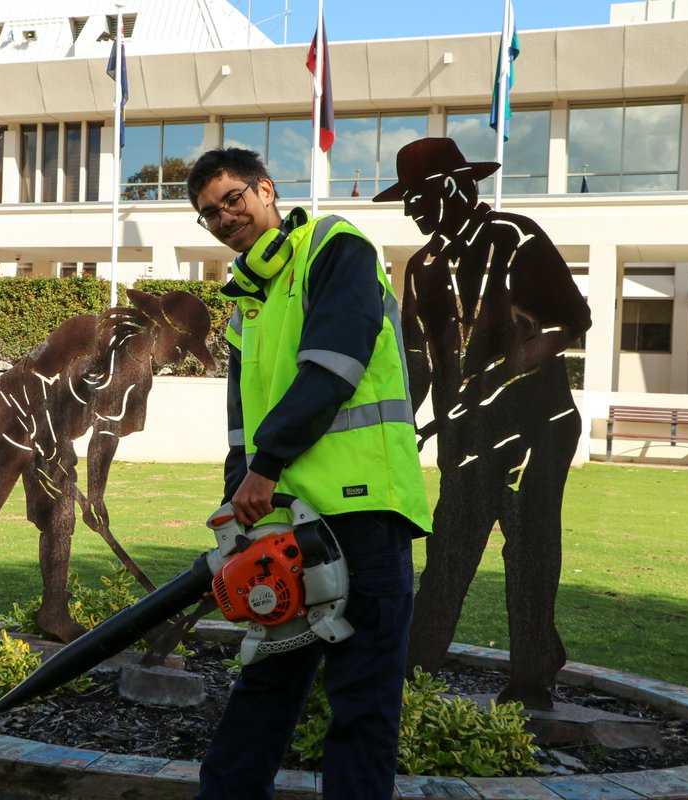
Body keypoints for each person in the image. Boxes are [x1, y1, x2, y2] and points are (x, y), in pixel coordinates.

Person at [186, 148, 431, 800]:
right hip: (285, 527)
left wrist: (266, 466)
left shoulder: (334, 246)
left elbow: (334, 364)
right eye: (210, 213)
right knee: (265, 691)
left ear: (266, 189)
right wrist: (234, 523)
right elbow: (240, 432)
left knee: (361, 704)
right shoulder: (246, 305)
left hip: (364, 514)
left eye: (233, 198)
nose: (224, 217)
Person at [371, 138, 591, 708]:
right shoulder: (421, 268)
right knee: (448, 549)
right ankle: (411, 673)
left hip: (536, 425)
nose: (409, 210)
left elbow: (569, 321)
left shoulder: (515, 238)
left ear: (451, 187)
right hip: (466, 437)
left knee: (529, 546)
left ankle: (532, 680)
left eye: (415, 197)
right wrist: (401, 420)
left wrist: (491, 382)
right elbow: (417, 358)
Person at [0, 289, 216, 642]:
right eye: (183, 347)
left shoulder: (138, 378)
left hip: (54, 438)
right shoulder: (90, 332)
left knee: (61, 517)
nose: (181, 358)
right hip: (7, 415)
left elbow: (106, 434)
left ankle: (53, 610)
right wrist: (48, 439)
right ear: (162, 329)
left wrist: (96, 496)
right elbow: (38, 374)